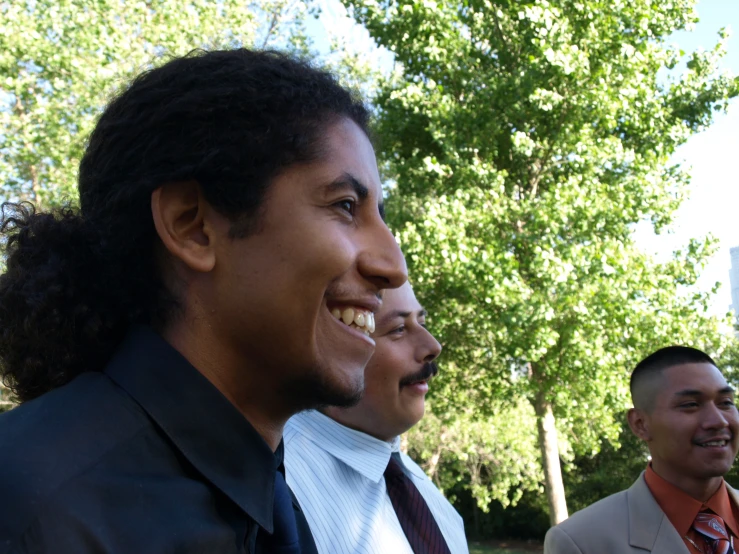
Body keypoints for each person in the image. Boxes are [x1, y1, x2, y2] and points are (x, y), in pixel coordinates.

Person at [0, 48, 407, 554]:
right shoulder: (37, 511)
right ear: (192, 226)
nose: (393, 266)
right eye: (345, 206)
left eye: (380, 215)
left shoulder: (272, 504)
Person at [284, 281, 469, 554]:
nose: (433, 345)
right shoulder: (275, 488)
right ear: (332, 349)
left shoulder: (434, 503)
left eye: (422, 322)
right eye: (398, 329)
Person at [544, 346, 739, 554]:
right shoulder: (581, 541)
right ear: (640, 424)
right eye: (691, 404)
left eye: (725, 403)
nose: (718, 421)